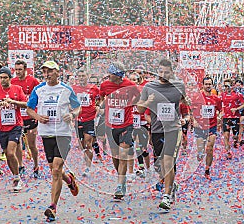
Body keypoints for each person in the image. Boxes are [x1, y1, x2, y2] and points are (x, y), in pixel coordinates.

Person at [26, 61, 80, 221]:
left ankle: (53, 207)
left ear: (58, 72)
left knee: (56, 170)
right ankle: (69, 179)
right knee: (54, 169)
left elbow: (78, 107)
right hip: (46, 133)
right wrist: (37, 117)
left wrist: (72, 115)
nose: (47, 74)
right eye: (44, 71)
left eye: (50, 71)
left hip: (63, 133)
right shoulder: (39, 90)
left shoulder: (65, 89)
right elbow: (29, 108)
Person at [137, 58, 189, 210]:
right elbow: (140, 110)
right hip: (157, 130)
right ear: (157, 71)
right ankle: (171, 184)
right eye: (160, 71)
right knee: (160, 165)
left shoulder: (179, 85)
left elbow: (185, 102)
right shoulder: (149, 86)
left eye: (166, 72)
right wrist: (148, 102)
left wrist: (185, 117)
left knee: (168, 161)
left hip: (173, 129)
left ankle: (166, 196)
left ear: (171, 72)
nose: (163, 74)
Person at [99, 61, 141, 200]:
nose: (108, 76)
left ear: (118, 76)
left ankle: (119, 184)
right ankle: (121, 179)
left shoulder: (130, 85)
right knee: (115, 156)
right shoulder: (105, 85)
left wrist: (132, 104)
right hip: (111, 125)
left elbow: (139, 97)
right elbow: (102, 97)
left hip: (126, 124)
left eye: (111, 74)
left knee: (123, 154)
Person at [0, 67, 27, 192]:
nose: (2, 80)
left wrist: (12, 101)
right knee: (8, 156)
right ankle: (16, 176)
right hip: (1, 127)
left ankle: (17, 178)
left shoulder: (17, 89)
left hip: (15, 125)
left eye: (5, 77)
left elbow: (25, 103)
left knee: (10, 152)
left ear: (10, 78)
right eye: (1, 78)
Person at [11, 59, 41, 177]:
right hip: (18, 117)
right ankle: (21, 165)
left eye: (20, 70)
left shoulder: (33, 81)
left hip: (31, 116)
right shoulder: (13, 81)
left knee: (32, 144)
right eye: (16, 70)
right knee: (17, 142)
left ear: (25, 70)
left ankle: (36, 165)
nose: (18, 72)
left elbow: (40, 96)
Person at [190, 77, 222, 180]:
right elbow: (191, 110)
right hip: (200, 127)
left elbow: (221, 110)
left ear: (212, 85)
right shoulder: (197, 97)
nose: (208, 86)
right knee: (200, 152)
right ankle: (199, 154)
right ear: (202, 85)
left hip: (212, 126)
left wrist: (220, 116)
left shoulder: (216, 98)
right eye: (206, 84)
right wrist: (194, 120)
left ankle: (207, 170)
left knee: (209, 149)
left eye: (210, 84)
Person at [72, 69, 100, 176]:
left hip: (90, 119)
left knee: (88, 143)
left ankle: (88, 168)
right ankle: (87, 161)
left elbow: (100, 99)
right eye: (79, 76)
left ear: (87, 76)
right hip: (78, 119)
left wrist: (97, 106)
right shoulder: (74, 89)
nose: (81, 77)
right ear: (77, 78)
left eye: (83, 75)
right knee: (82, 145)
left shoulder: (94, 89)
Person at [221, 79, 244, 159]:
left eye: (227, 86)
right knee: (226, 135)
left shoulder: (237, 94)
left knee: (235, 137)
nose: (226, 88)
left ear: (232, 86)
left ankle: (236, 140)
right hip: (226, 118)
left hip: (235, 118)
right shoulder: (222, 94)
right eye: (225, 86)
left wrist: (236, 109)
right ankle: (228, 152)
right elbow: (219, 104)